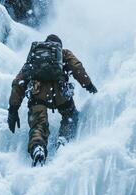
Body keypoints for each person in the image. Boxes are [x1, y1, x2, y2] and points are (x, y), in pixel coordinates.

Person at [7, 34, 97, 167]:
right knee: (70, 115)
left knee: (38, 124)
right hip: (60, 94)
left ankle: (38, 148)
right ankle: (63, 141)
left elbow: (19, 82)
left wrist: (13, 109)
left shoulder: (35, 56)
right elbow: (77, 67)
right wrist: (88, 85)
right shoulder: (63, 53)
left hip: (38, 94)